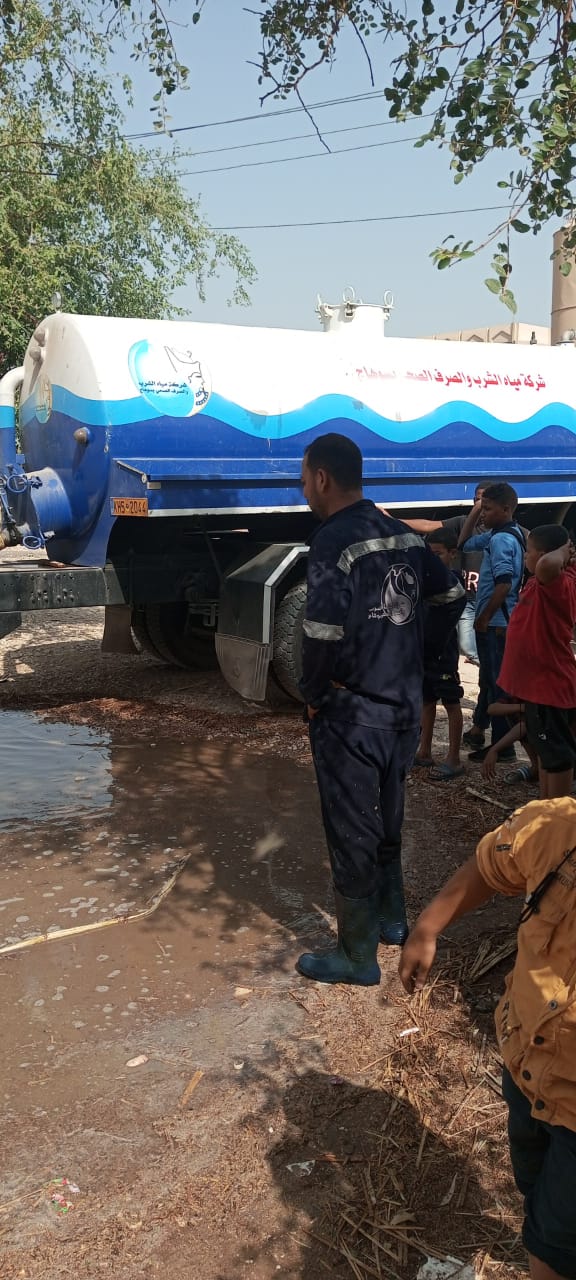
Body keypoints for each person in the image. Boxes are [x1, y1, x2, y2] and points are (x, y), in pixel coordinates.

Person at [296, 432, 464, 987]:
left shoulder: (333, 540)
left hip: (352, 713)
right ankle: (393, 920)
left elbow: (320, 632)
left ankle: (356, 954)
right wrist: (419, 655)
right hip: (402, 711)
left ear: (323, 478)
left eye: (304, 480)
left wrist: (314, 696)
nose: (304, 491)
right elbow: (449, 597)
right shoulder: (403, 535)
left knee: (351, 828)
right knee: (389, 816)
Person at [399, 797, 576, 1280]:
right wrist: (427, 927)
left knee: (553, 1248)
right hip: (524, 1071)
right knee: (533, 1183)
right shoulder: (554, 829)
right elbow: (492, 862)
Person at [498, 525, 576, 798]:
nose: (524, 556)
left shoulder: (557, 582)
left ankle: (557, 815)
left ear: (543, 555)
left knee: (558, 756)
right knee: (546, 751)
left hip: (548, 685)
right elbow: (544, 560)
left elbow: (547, 564)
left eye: (528, 552)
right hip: (538, 686)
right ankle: (545, 804)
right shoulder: (546, 579)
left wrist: (563, 550)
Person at [458, 481, 525, 761]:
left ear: (506, 509)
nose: (482, 513)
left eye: (487, 509)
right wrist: (476, 510)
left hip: (497, 624)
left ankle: (502, 746)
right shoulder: (501, 533)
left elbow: (504, 584)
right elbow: (463, 544)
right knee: (488, 679)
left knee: (497, 684)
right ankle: (481, 732)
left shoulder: (501, 540)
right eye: (481, 508)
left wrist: (483, 618)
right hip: (496, 622)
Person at [415, 529, 466, 781]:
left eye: (438, 554)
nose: (434, 560)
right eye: (430, 555)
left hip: (444, 653)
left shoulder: (453, 580)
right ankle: (424, 751)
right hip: (426, 652)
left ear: (452, 553)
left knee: (451, 703)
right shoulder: (427, 580)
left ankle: (454, 758)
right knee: (427, 700)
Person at [481, 697, 539, 787]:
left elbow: (524, 726)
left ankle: (540, 769)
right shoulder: (517, 695)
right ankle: (536, 766)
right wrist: (521, 707)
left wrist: (494, 749)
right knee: (511, 710)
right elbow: (492, 709)